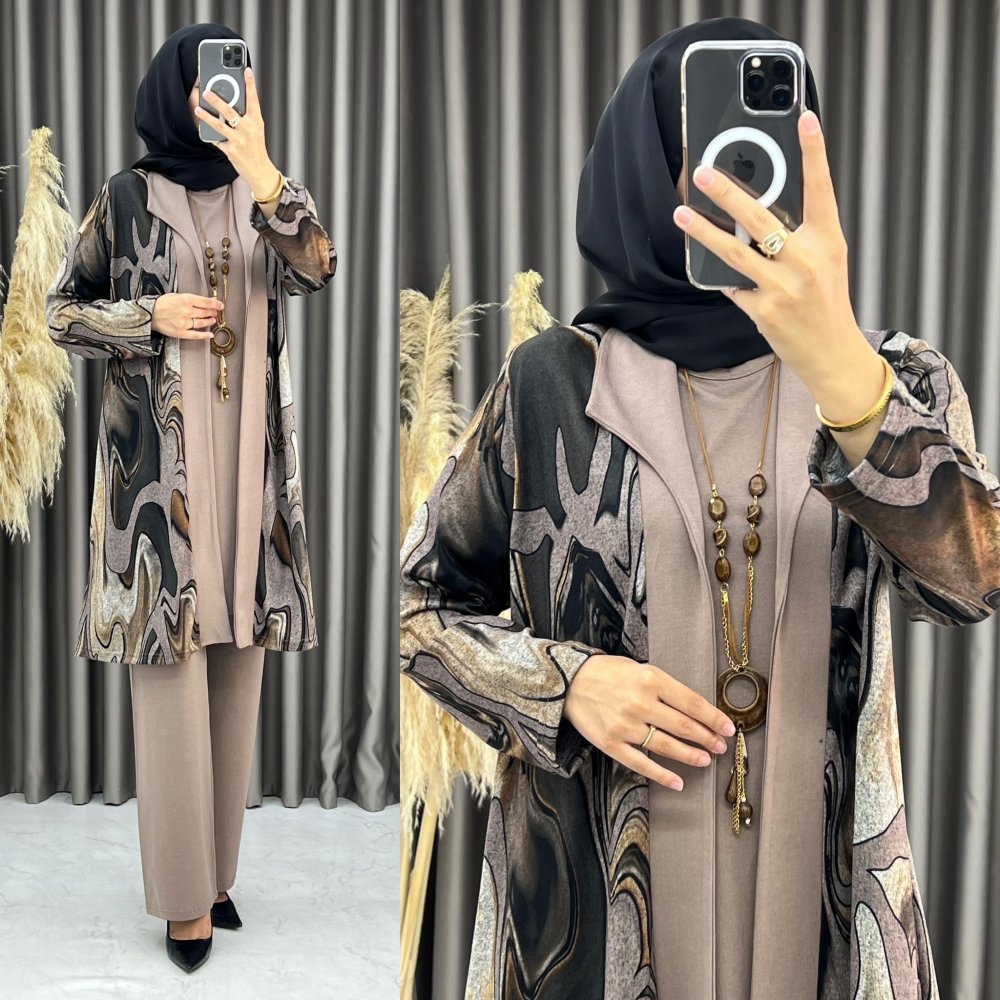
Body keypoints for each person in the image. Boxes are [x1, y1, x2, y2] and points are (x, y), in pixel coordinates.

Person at [399, 17, 1000, 999]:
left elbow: (973, 581)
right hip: (595, 910)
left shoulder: (892, 381)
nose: (739, 180)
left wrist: (847, 377)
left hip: (820, 909)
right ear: (644, 165)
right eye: (709, 145)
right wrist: (560, 686)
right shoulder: (551, 384)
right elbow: (417, 608)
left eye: (764, 148)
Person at [46, 23, 335, 973]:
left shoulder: (265, 194)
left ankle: (214, 877)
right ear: (175, 91)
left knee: (236, 668)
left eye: (237, 78)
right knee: (171, 678)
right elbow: (58, 313)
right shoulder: (126, 198)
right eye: (209, 81)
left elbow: (319, 267)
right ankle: (183, 904)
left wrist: (264, 170)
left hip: (249, 468)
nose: (224, 93)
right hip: (158, 486)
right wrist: (149, 316)